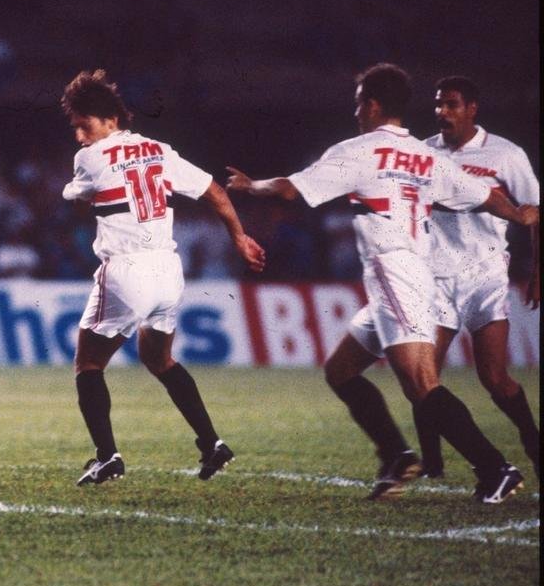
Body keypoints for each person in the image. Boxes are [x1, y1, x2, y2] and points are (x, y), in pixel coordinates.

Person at [227, 63, 538, 503]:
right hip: (405, 276)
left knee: (422, 384)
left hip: (398, 275)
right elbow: (485, 194)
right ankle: (396, 454)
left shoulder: (360, 150)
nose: (356, 112)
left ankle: (495, 468)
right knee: (340, 371)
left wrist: (249, 185)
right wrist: (522, 214)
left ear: (371, 105)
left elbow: (290, 189)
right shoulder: (426, 155)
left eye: (359, 103)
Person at [59, 70, 266, 486]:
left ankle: (108, 457)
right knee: (160, 359)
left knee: (88, 364)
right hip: (169, 272)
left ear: (111, 120)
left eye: (85, 126)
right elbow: (215, 192)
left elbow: (77, 197)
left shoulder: (89, 158)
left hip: (126, 270)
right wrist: (240, 238)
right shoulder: (160, 150)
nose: (80, 137)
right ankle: (212, 443)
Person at [420, 76, 540, 481]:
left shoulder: (505, 155)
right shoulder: (423, 153)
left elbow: (534, 211)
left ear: (472, 108)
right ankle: (432, 465)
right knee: (422, 377)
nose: (442, 113)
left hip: (484, 278)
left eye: (451, 105)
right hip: (437, 277)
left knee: (492, 377)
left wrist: (538, 270)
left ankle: (531, 438)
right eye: (438, 105)